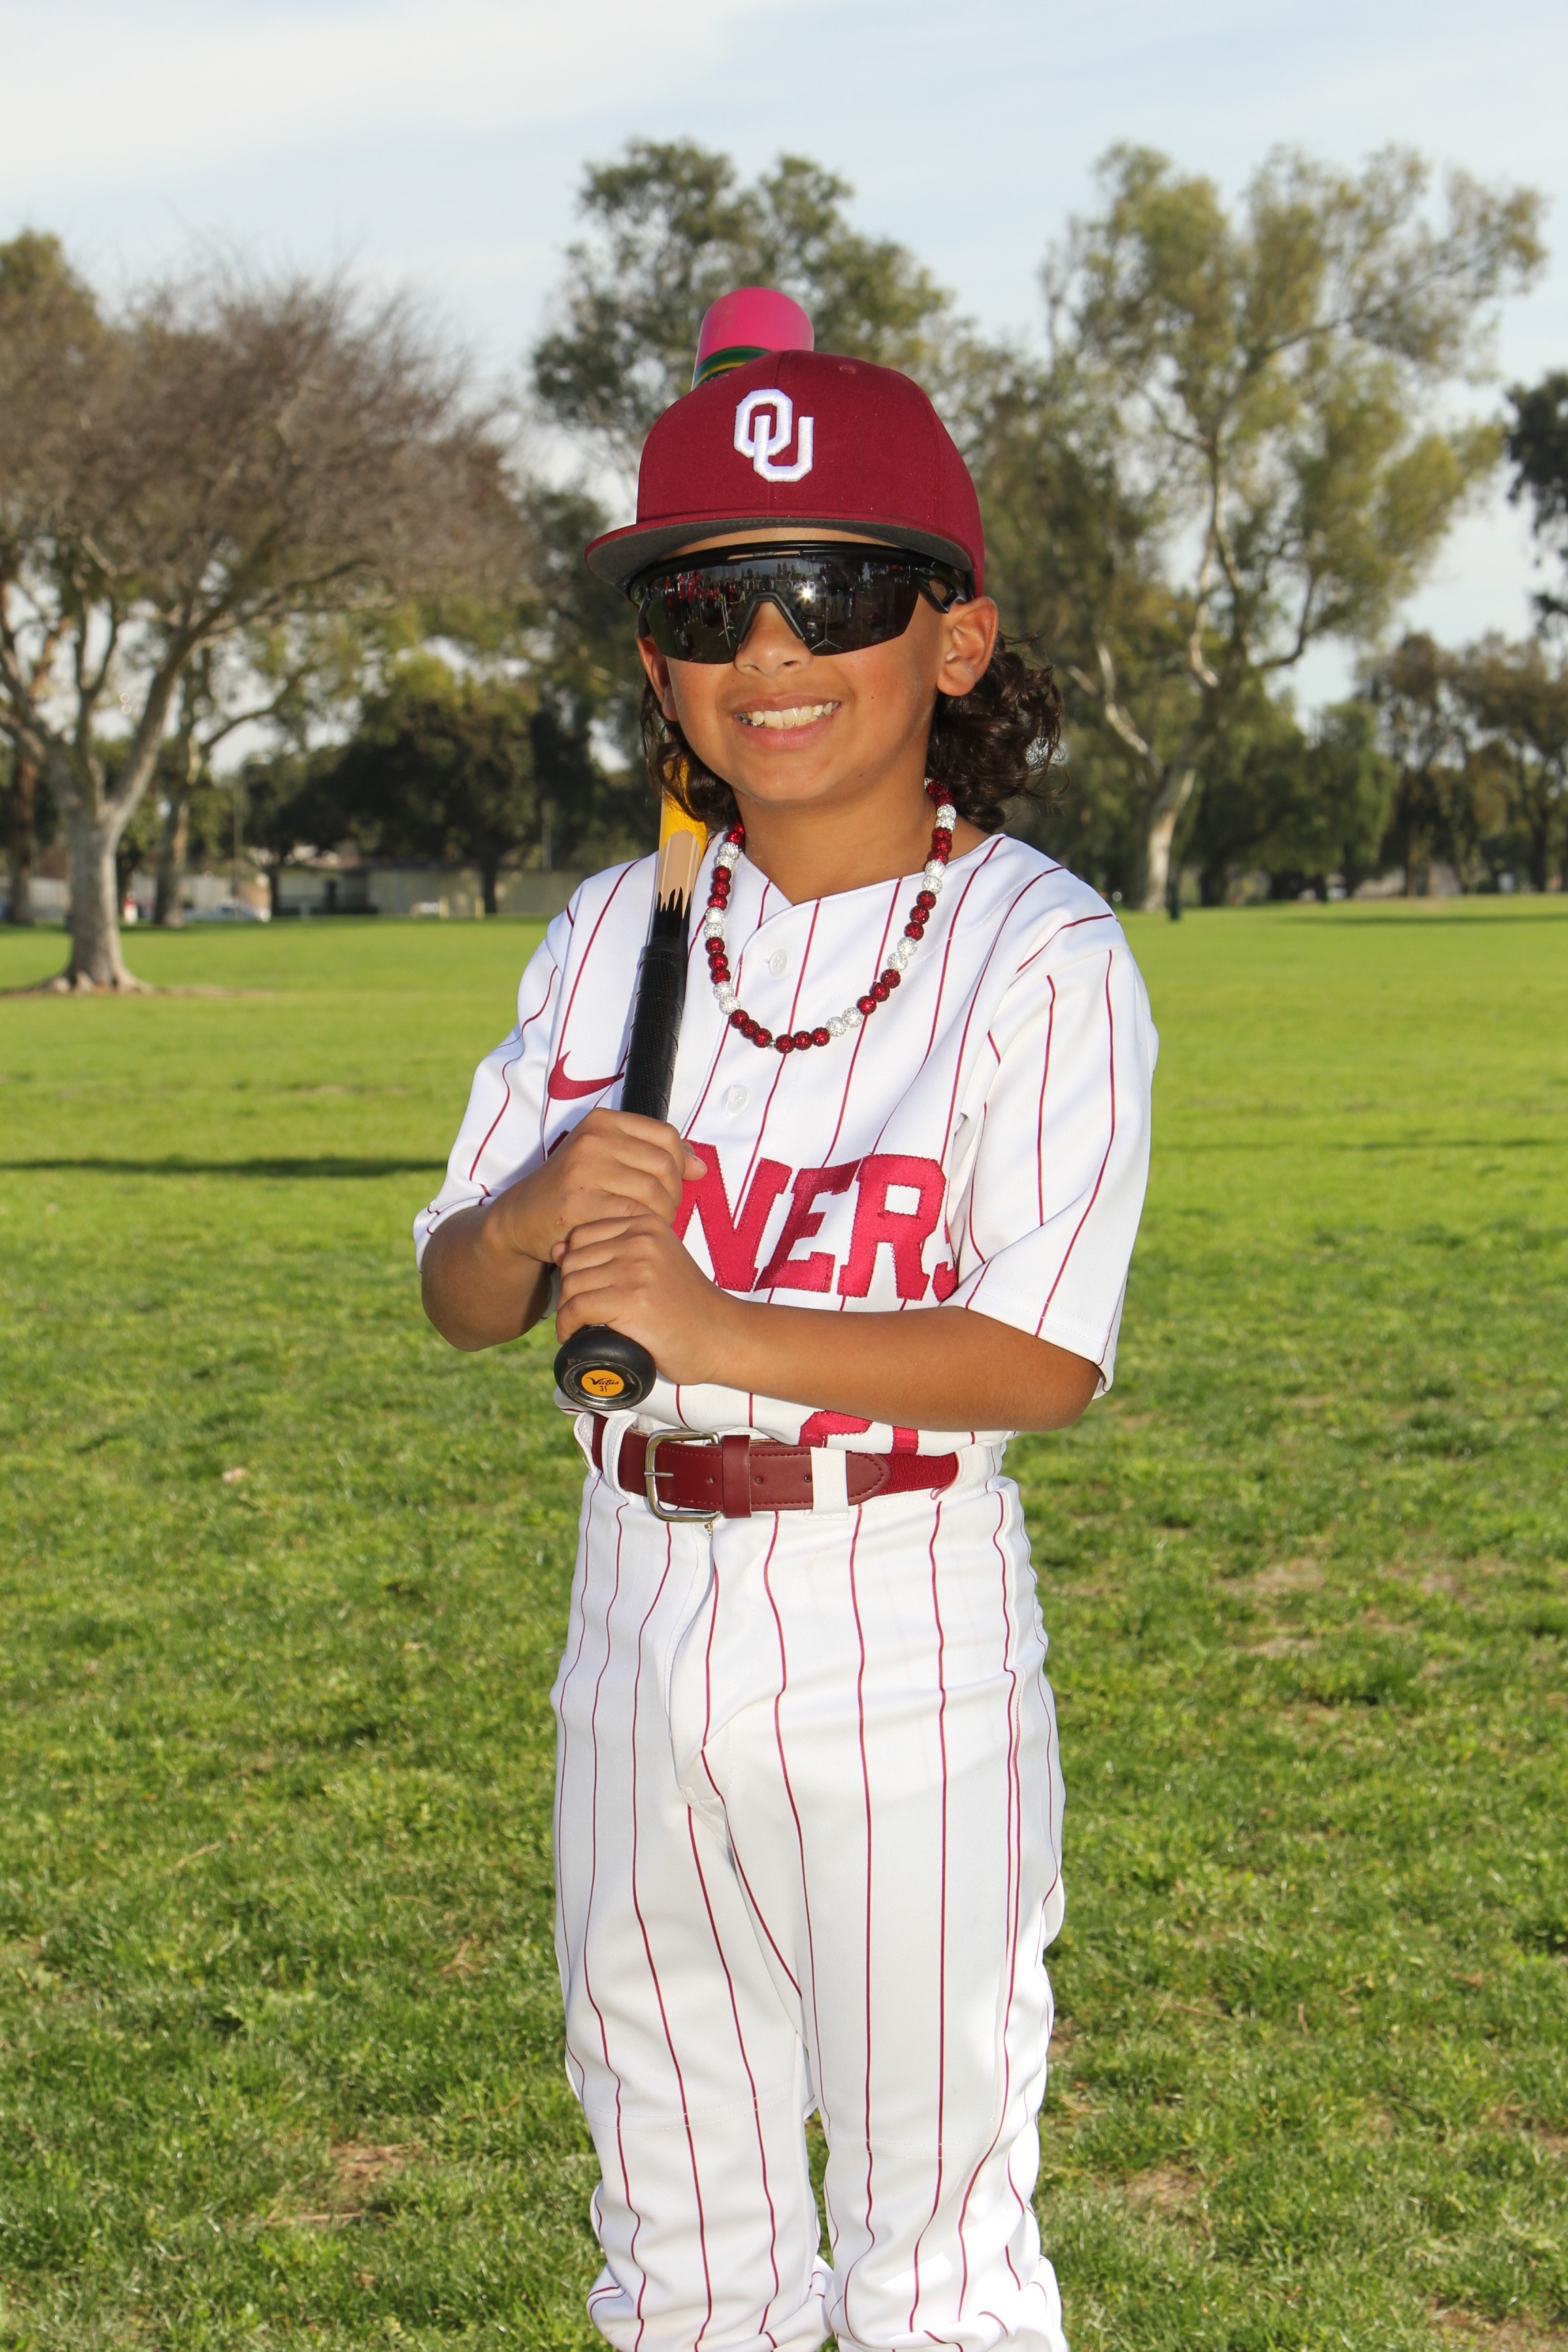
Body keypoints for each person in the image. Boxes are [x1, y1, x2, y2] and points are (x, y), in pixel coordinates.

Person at [416, 309, 1157, 2352]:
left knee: (934, 2262)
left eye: (831, 595)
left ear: (956, 640)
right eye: (708, 605)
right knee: (679, 2252)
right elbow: (459, 1297)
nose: (768, 653)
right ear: (661, 666)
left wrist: (718, 1320)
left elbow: (1042, 1359)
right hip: (635, 1598)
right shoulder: (611, 931)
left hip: (897, 1613)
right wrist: (528, 1215)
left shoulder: (1041, 947)